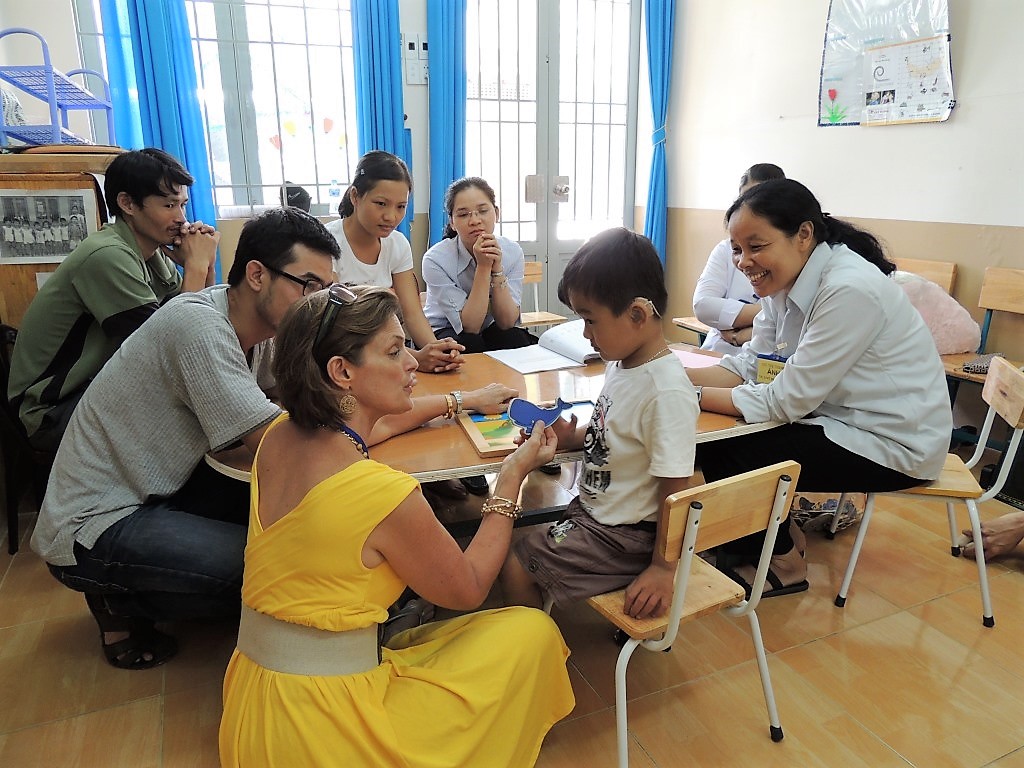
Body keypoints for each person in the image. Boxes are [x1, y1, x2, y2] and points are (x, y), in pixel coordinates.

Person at [219, 285, 575, 767]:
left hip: (256, 703)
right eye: (394, 350)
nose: (412, 361)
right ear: (342, 372)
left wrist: (459, 400)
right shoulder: (382, 494)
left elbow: (373, 429)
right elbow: (468, 588)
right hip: (324, 730)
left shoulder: (278, 437)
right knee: (531, 631)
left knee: (423, 639)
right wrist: (510, 476)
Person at [687, 179, 952, 596]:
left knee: (731, 453)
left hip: (894, 443)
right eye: (737, 249)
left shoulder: (848, 289)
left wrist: (691, 397)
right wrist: (668, 376)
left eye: (756, 246)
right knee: (716, 441)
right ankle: (763, 540)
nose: (743, 262)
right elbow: (753, 367)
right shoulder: (782, 284)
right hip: (837, 418)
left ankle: (785, 560)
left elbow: (785, 400)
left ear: (804, 234)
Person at [500, 228, 700, 619]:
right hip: (598, 516)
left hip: (627, 538)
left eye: (591, 321)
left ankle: (533, 655)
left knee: (516, 563)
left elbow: (678, 490)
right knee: (522, 537)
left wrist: (663, 567)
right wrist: (569, 436)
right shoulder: (623, 363)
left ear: (638, 314)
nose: (586, 335)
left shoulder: (665, 391)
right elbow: (613, 436)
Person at [7, 147, 219, 453]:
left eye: (183, 205)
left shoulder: (149, 251)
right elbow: (172, 345)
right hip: (52, 410)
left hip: (96, 389)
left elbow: (199, 320)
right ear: (127, 203)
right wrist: (197, 266)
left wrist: (205, 264)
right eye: (169, 205)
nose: (181, 219)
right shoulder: (108, 255)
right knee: (190, 423)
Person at [327, 150, 465, 374]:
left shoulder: (397, 244)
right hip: (342, 358)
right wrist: (416, 357)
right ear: (355, 196)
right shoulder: (328, 243)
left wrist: (436, 349)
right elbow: (339, 326)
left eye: (401, 206)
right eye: (381, 203)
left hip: (391, 354)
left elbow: (412, 312)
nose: (391, 216)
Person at [422, 176, 536, 352]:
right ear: (452, 222)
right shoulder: (436, 259)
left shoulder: (512, 251)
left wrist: (497, 268)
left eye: (482, 211)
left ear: (496, 213)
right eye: (463, 214)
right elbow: (470, 327)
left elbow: (507, 322)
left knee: (514, 338)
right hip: (445, 329)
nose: (474, 220)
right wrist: (484, 267)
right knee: (469, 344)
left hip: (487, 328)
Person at [692, 162, 785, 353]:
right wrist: (768, 315)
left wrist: (736, 330)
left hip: (763, 362)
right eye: (744, 201)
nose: (744, 262)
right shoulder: (725, 250)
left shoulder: (790, 254)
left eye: (760, 202)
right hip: (717, 351)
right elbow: (703, 306)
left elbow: (791, 321)